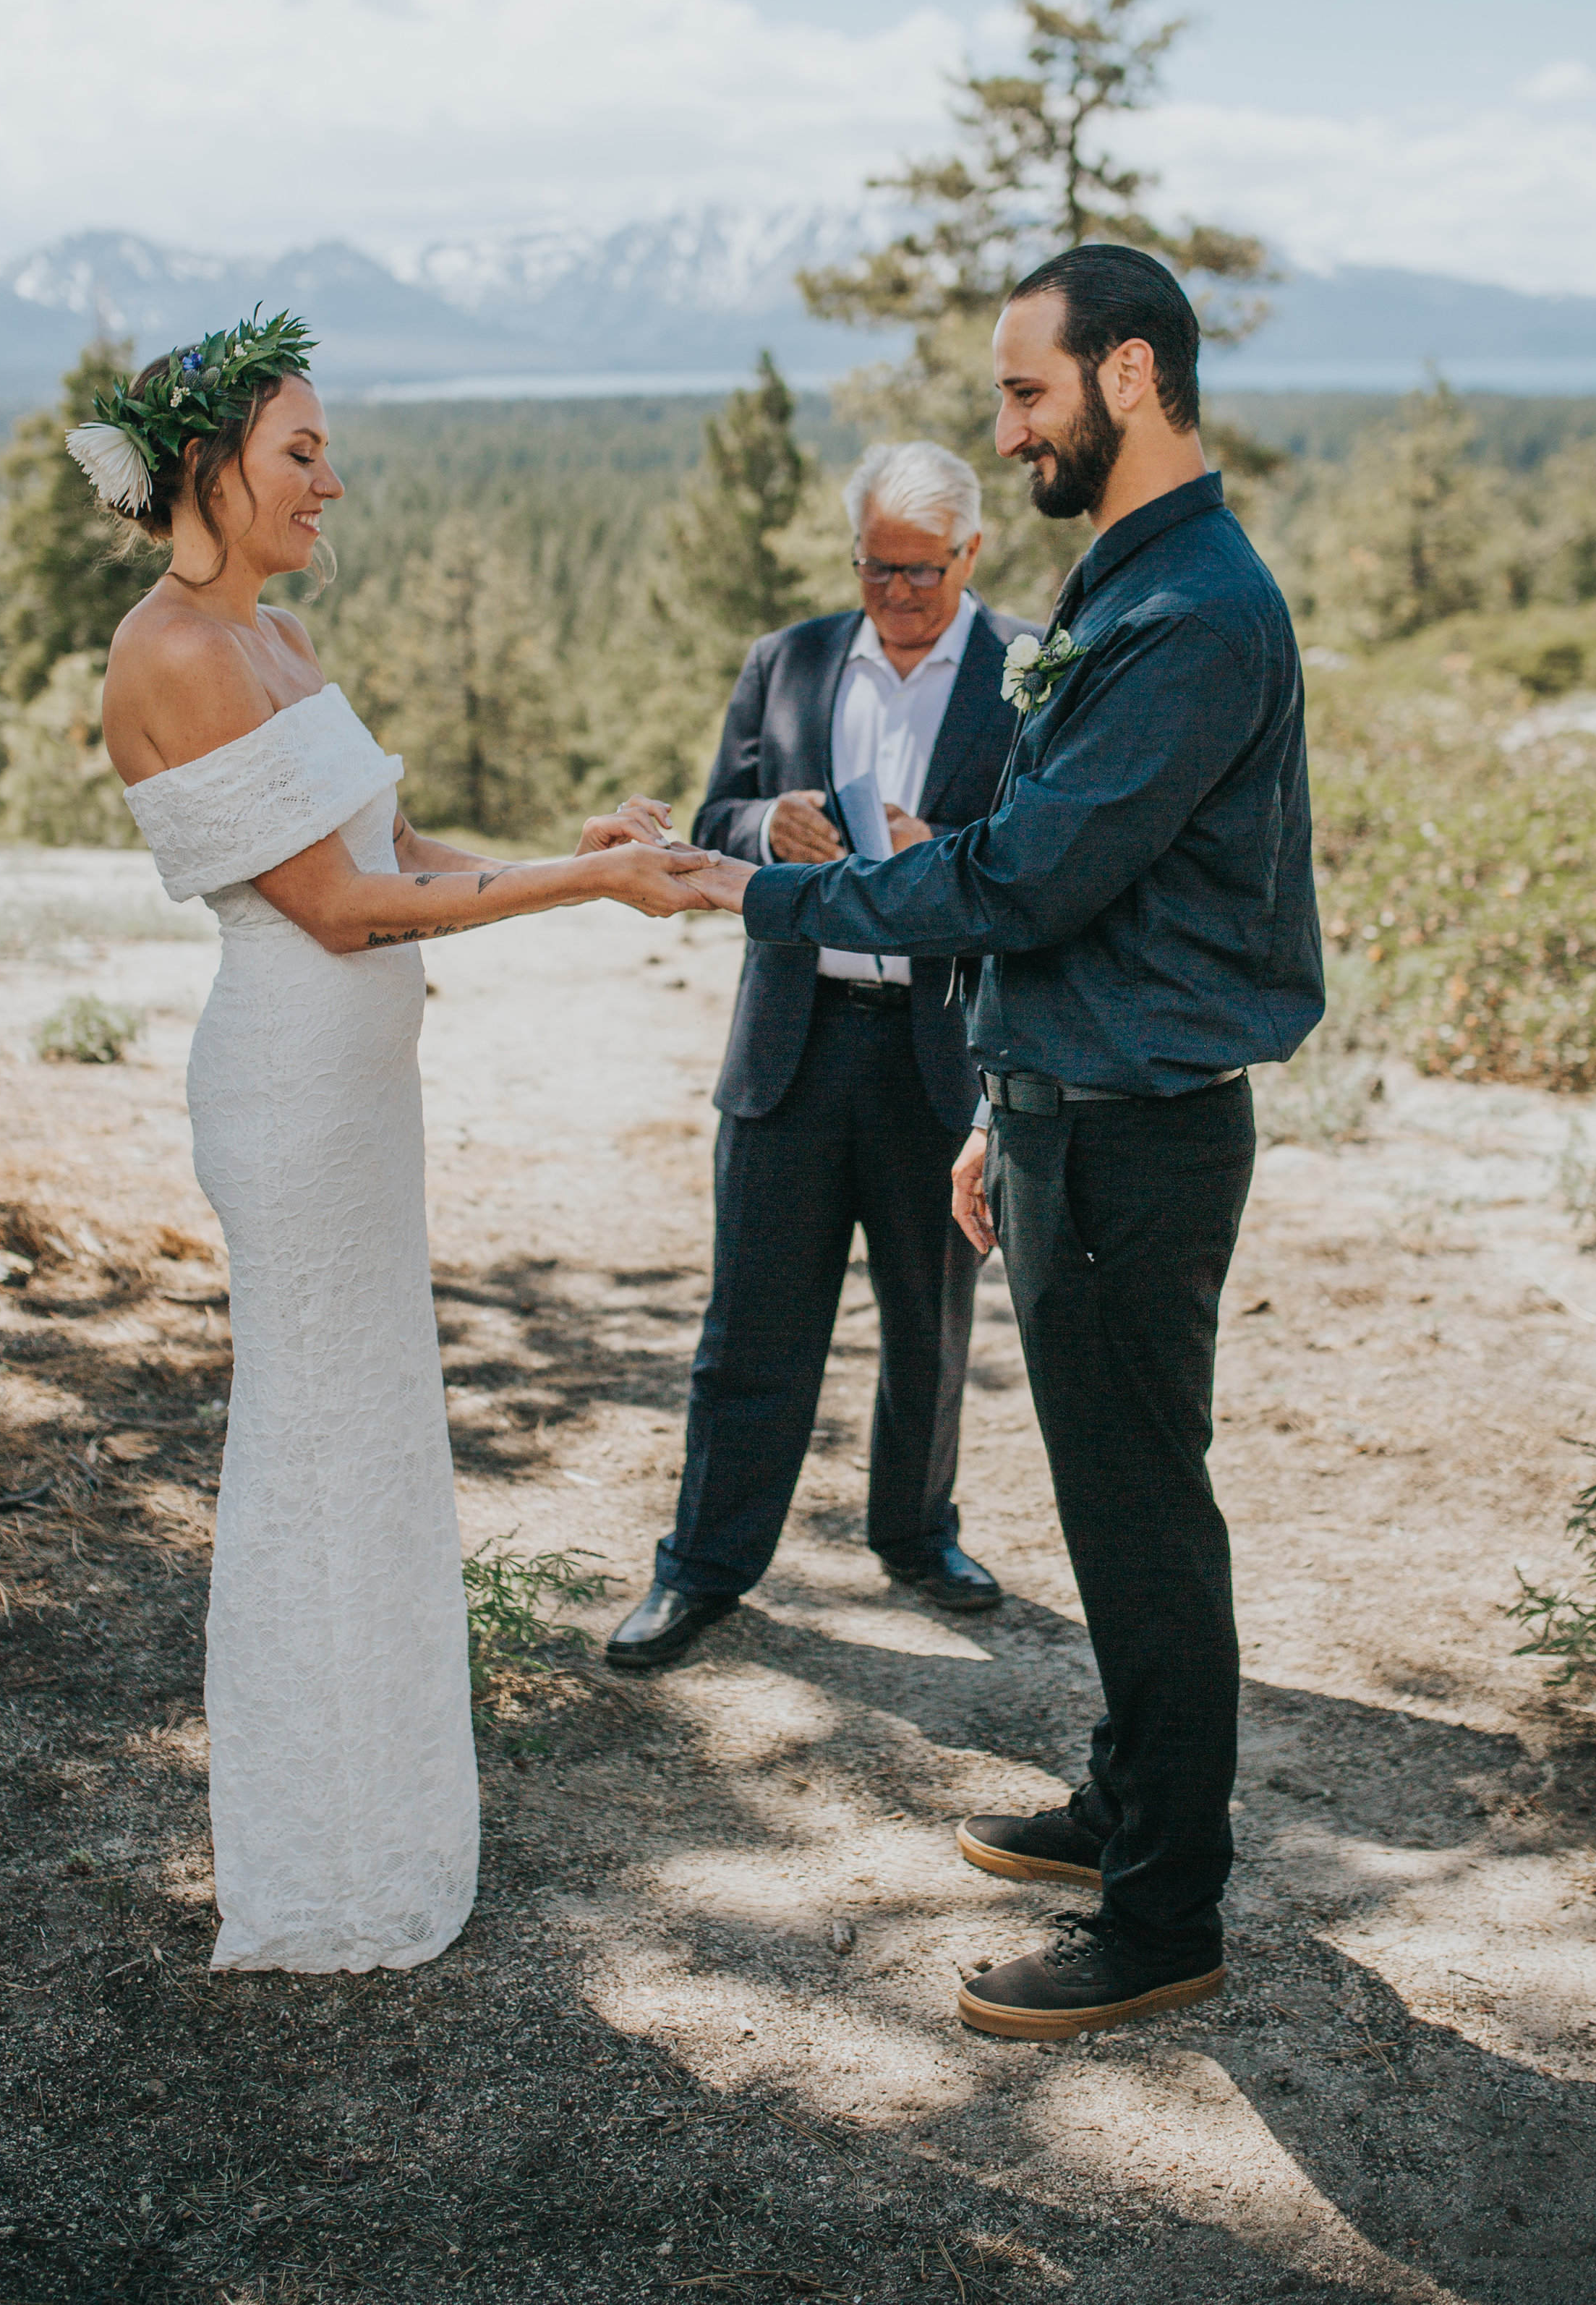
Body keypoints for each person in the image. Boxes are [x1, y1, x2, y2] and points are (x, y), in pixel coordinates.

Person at [688, 247, 1323, 2038]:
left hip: (1139, 1136)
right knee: (1114, 1498)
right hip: (1072, 1107)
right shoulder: (1130, 580)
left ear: (1126, 376)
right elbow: (1069, 889)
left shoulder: (1190, 611)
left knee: (1140, 1521)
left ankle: (1162, 1915)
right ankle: (1126, 1802)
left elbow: (1032, 872)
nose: (1005, 429)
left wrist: (769, 891)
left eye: (1024, 394)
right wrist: (1006, 1095)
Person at [85, 315, 704, 1972]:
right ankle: (323, 1860)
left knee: (373, 1434)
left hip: (363, 1107)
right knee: (317, 1444)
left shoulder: (272, 636)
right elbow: (340, 907)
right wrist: (589, 892)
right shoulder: (176, 654)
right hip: (289, 1101)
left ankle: (385, 1819)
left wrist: (562, 843)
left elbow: (395, 838)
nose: (330, 482)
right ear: (207, 467)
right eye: (301, 452)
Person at [607, 443, 1036, 1670]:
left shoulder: (1024, 675)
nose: (897, 592)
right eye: (876, 566)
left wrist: (944, 845)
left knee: (930, 1323)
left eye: (921, 569)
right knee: (750, 1327)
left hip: (935, 1054)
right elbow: (710, 817)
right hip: (790, 1047)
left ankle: (917, 1534)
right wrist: (764, 823)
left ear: (970, 554)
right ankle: (702, 1567)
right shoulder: (787, 659)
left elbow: (1047, 852)